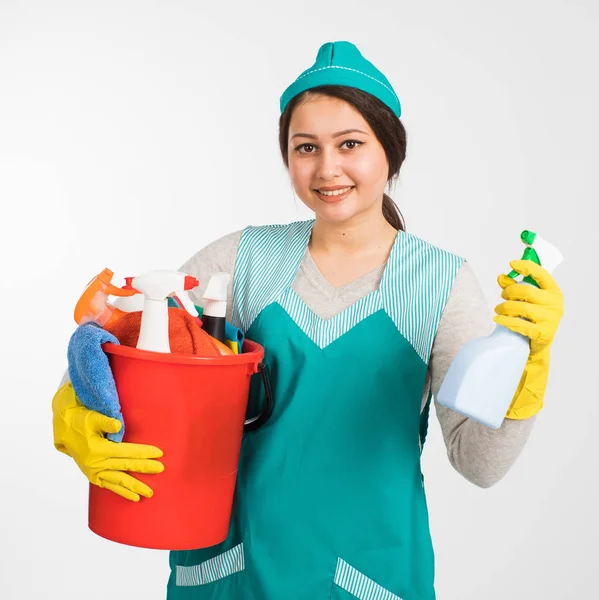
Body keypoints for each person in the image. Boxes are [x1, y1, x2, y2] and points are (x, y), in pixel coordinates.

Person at [52, 41, 564, 599]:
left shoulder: (439, 283)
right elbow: (126, 344)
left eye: (350, 144)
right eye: (305, 148)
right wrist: (74, 408)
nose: (327, 168)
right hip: (230, 576)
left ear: (389, 150)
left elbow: (478, 464)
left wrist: (527, 365)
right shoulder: (241, 261)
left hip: (370, 577)